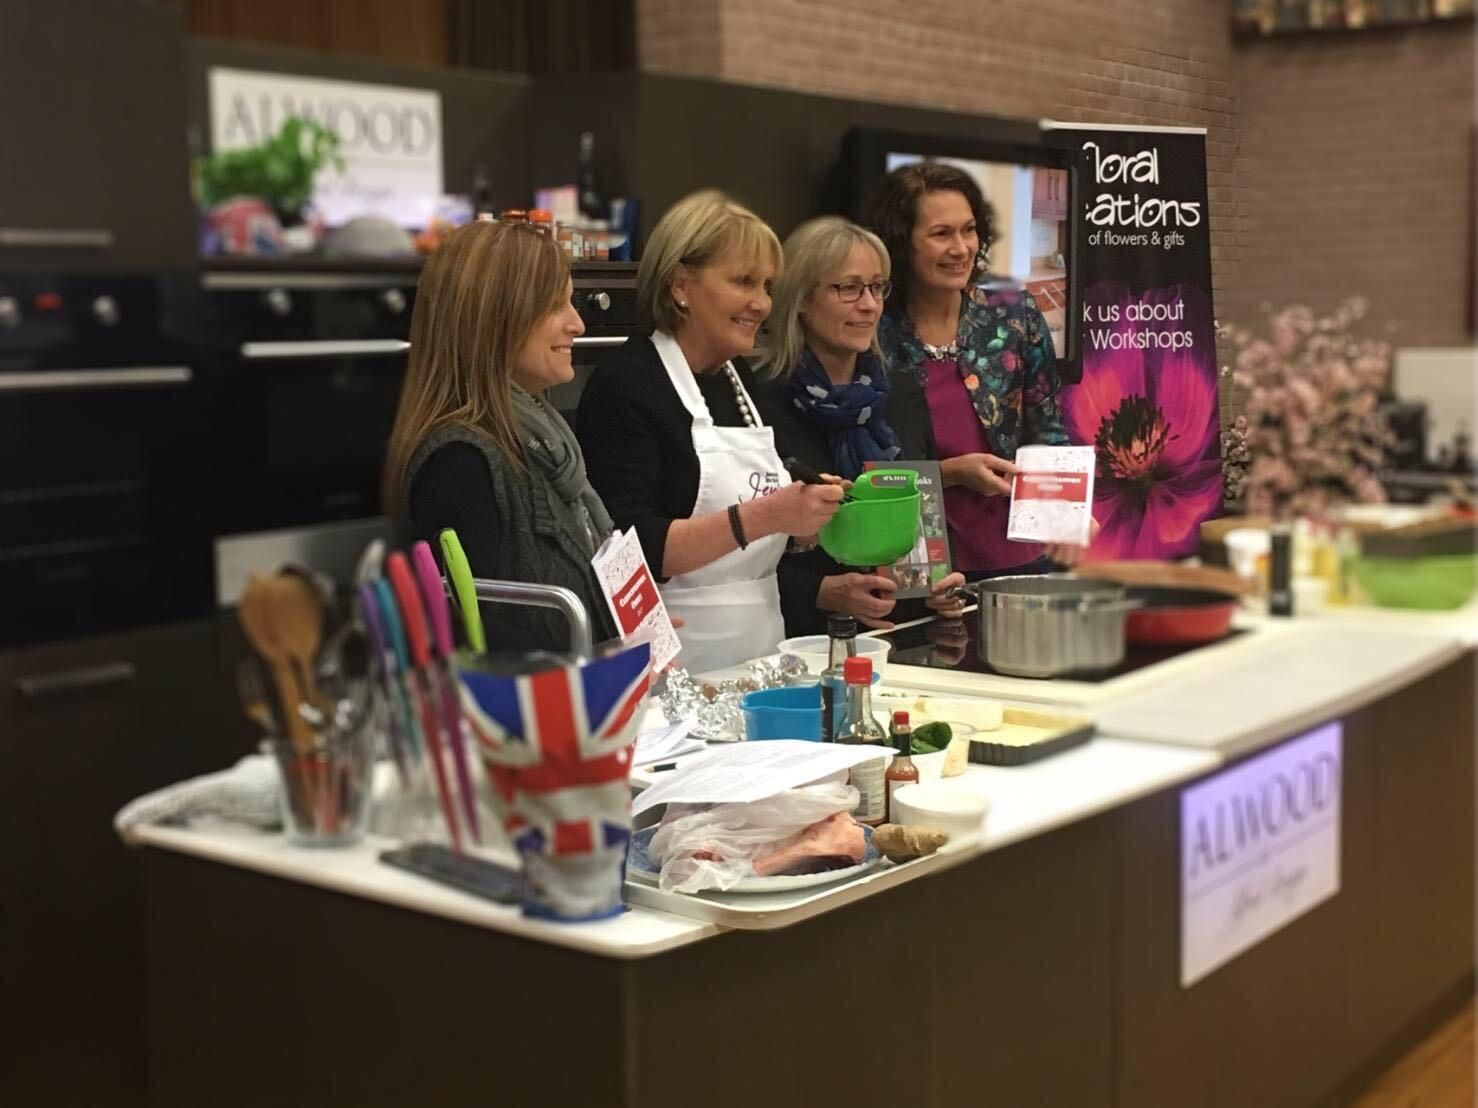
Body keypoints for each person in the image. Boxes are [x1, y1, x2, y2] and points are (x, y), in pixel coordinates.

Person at [577, 190, 843, 673]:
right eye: (743, 281)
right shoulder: (627, 384)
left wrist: (807, 520)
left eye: (767, 286)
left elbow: (766, 529)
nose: (761, 304)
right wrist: (766, 516)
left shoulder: (742, 382)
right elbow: (632, 547)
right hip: (677, 661)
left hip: (764, 649)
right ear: (681, 285)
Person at [383, 219, 617, 653]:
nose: (578, 324)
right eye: (555, 306)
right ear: (493, 317)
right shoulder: (461, 462)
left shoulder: (540, 441)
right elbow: (468, 636)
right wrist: (597, 660)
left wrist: (618, 633)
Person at [870, 162, 1094, 579]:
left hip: (1022, 553)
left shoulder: (1013, 312)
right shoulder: (873, 330)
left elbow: (1046, 427)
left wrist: (1067, 515)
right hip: (918, 565)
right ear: (902, 244)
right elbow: (865, 469)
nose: (961, 248)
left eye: (968, 230)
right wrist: (950, 475)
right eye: (941, 234)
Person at [754, 215, 965, 635]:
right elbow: (735, 554)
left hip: (902, 633)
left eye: (877, 287)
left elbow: (919, 513)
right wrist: (818, 590)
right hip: (796, 638)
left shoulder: (901, 392)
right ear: (800, 299)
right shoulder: (755, 400)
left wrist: (937, 584)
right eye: (848, 288)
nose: (869, 305)